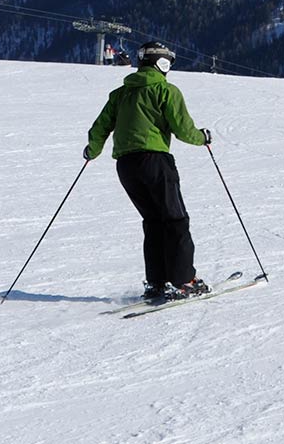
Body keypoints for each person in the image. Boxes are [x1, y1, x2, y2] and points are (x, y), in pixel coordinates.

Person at [85, 41, 212, 302]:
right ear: (162, 64)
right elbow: (183, 129)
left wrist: (92, 150)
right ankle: (183, 281)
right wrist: (203, 137)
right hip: (155, 161)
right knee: (175, 220)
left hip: (126, 167)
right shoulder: (165, 90)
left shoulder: (120, 94)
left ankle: (157, 282)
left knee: (154, 222)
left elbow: (100, 127)